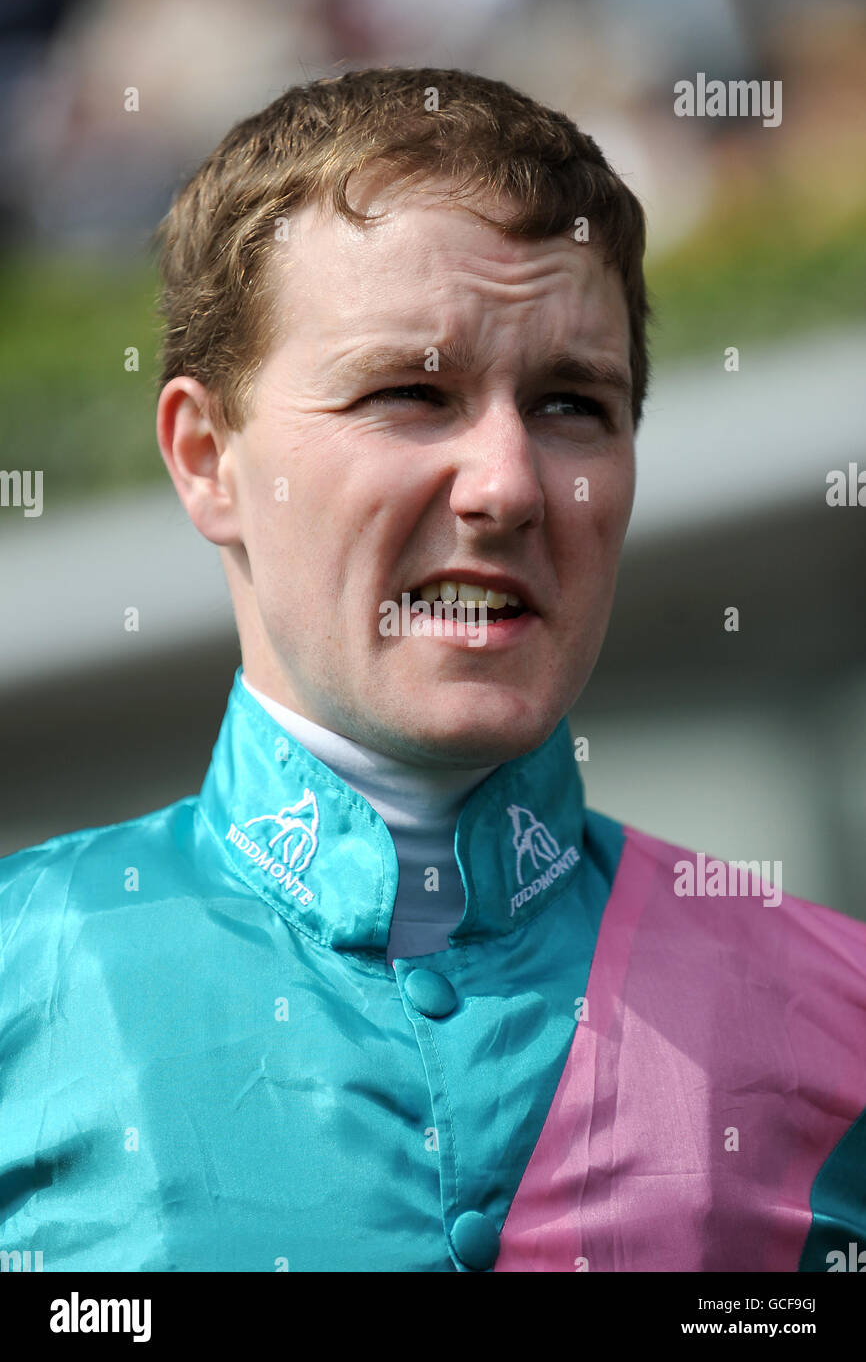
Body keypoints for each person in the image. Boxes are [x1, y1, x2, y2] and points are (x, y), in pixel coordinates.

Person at [1, 66, 864, 1275]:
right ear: (206, 459)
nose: (507, 485)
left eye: (571, 404)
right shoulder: (20, 977)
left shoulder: (842, 1016)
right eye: (411, 392)